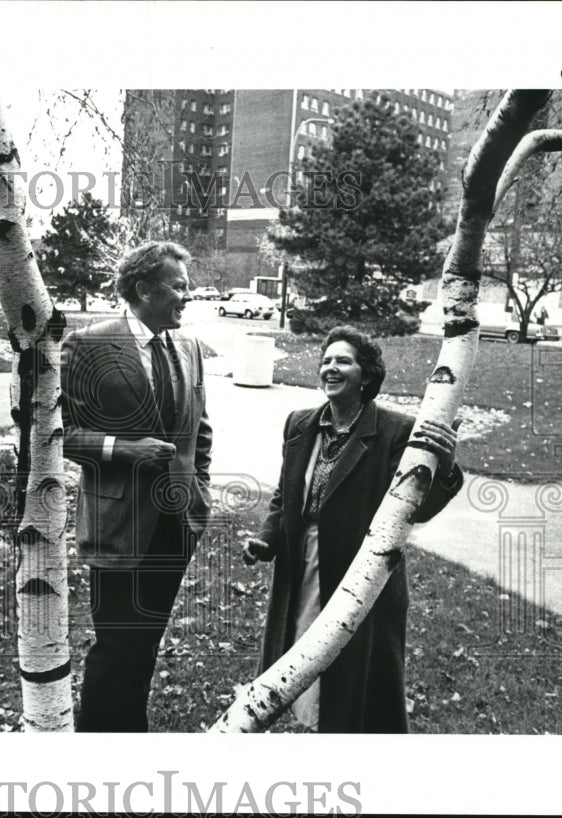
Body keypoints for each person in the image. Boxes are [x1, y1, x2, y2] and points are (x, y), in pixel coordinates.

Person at [242, 326, 463, 733]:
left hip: (361, 577)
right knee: (298, 656)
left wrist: (445, 467)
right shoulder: (300, 424)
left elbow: (418, 508)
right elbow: (285, 495)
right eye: (326, 360)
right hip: (302, 567)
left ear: (367, 375)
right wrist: (267, 539)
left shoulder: (397, 432)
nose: (331, 367)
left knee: (358, 686)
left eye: (343, 361)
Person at [60, 241, 213, 732]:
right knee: (117, 643)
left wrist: (199, 491)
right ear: (144, 288)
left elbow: (199, 431)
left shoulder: (188, 348)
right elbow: (57, 433)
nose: (186, 297)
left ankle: (131, 733)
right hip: (119, 526)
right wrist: (124, 450)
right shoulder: (89, 344)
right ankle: (98, 744)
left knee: (146, 639)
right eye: (178, 286)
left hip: (176, 524)